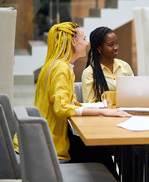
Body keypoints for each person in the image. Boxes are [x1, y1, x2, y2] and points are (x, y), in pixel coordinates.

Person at [13, 22, 130, 179]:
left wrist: (94, 108)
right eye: (83, 39)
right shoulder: (61, 69)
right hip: (50, 146)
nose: (87, 43)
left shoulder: (57, 66)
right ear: (73, 42)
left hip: (44, 141)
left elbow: (69, 103)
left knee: (99, 152)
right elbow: (61, 108)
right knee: (99, 152)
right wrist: (102, 110)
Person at [82, 26, 134, 103]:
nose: (116, 47)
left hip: (128, 111)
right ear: (99, 48)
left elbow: (134, 93)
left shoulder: (125, 66)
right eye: (111, 45)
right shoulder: (89, 73)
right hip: (105, 114)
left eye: (116, 43)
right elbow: (90, 103)